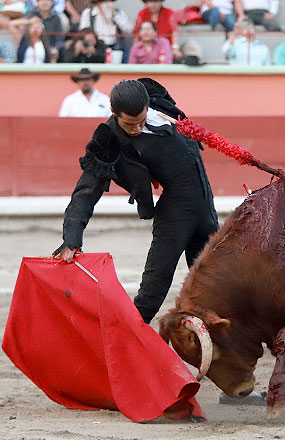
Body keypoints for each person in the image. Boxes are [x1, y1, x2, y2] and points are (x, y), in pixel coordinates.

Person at [53, 78, 219, 325]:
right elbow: (85, 192)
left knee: (214, 290)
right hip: (175, 215)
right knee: (152, 292)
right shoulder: (109, 140)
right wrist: (72, 238)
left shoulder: (160, 104)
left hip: (207, 208)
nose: (137, 129)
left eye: (142, 121)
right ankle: (118, 345)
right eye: (130, 125)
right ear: (113, 112)